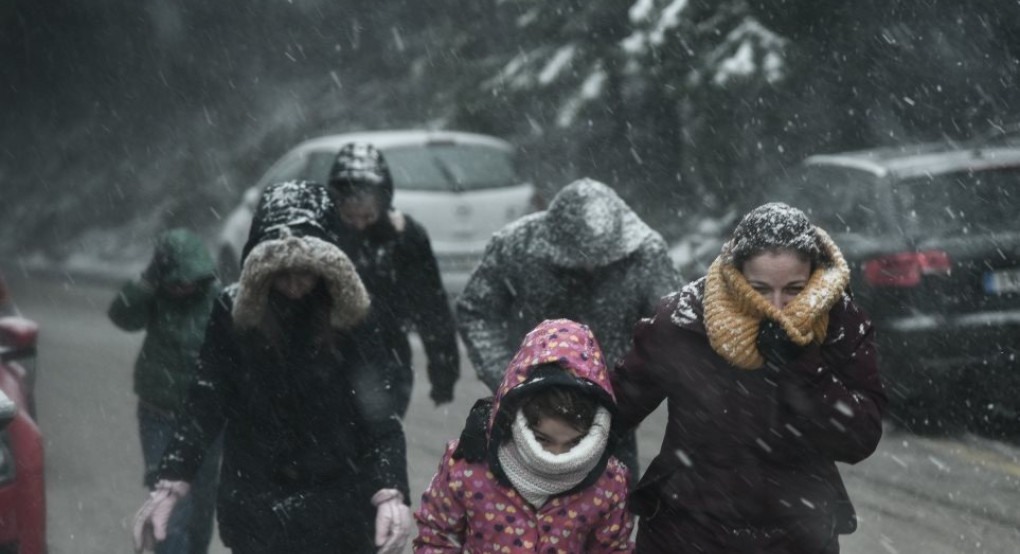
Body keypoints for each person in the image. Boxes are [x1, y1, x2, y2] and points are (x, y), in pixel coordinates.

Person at [131, 180, 412, 554]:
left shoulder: (353, 316)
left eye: (305, 272)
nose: (294, 284)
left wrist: (390, 490)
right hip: (257, 506)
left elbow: (379, 414)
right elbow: (206, 398)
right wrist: (172, 479)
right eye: (281, 273)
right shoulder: (234, 314)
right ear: (261, 270)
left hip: (340, 505)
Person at [611, 202, 887, 553]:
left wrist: (800, 365)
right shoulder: (685, 319)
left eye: (793, 289)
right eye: (759, 288)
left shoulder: (838, 321)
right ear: (735, 275)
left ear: (814, 277)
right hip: (687, 529)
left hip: (796, 534)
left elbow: (858, 437)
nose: (777, 306)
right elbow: (615, 409)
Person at [456, 177, 679, 476]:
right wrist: (509, 381)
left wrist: (627, 399)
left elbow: (669, 334)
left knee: (611, 513)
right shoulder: (517, 245)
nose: (590, 269)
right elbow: (477, 311)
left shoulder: (645, 252)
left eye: (601, 263)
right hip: (525, 413)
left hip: (613, 419)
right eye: (580, 262)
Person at [414, 319, 634, 553]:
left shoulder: (608, 482)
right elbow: (437, 538)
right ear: (516, 421)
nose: (556, 456)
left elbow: (613, 550)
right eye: (542, 440)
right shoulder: (468, 465)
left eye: (573, 444)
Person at [109, 228, 222, 554]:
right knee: (170, 508)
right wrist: (146, 280)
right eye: (173, 280)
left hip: (207, 422)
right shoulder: (156, 295)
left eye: (185, 281)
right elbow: (121, 316)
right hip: (158, 414)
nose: (179, 287)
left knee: (202, 507)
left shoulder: (220, 300)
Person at [326, 142, 460, 417]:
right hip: (330, 360)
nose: (360, 225)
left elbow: (431, 306)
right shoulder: (325, 237)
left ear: (383, 202)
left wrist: (443, 369)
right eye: (350, 217)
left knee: (384, 441)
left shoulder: (405, 239)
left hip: (389, 359)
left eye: (367, 216)